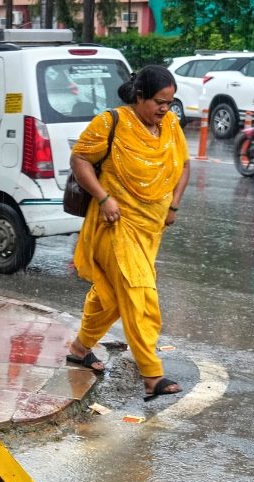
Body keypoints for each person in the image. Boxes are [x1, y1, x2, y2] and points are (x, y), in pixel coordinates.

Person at [66, 65, 190, 402]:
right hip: (114, 225)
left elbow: (183, 166)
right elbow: (80, 160)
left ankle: (80, 348)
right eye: (159, 102)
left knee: (111, 297)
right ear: (139, 97)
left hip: (151, 229)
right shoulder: (112, 123)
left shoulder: (171, 127)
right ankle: (152, 375)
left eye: (170, 101)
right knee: (139, 292)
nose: (165, 109)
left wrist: (174, 205)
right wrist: (104, 198)